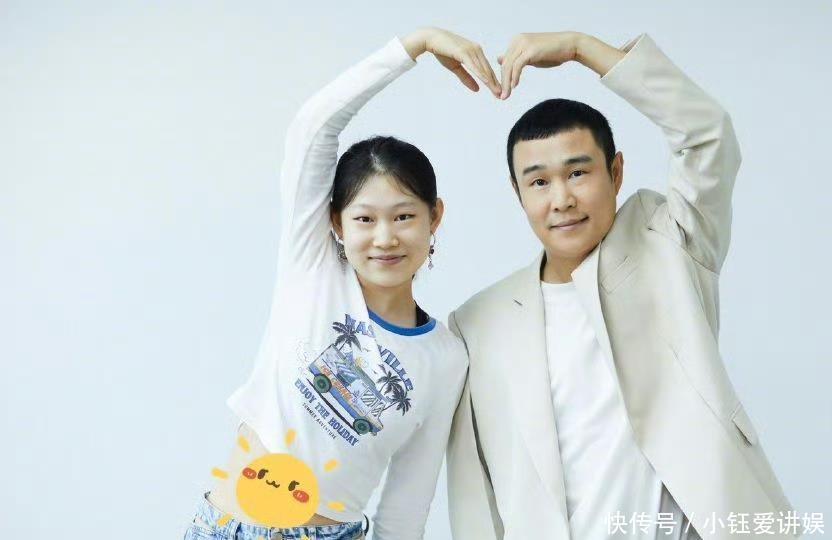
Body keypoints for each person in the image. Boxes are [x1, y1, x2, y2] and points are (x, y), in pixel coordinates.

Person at [446, 31, 796, 539]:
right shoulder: (480, 321)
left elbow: (708, 134)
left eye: (578, 173)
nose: (561, 199)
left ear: (616, 172)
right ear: (518, 193)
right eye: (539, 182)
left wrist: (580, 49)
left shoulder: (669, 244)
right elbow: (475, 492)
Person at [182, 27, 502, 540]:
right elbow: (312, 128)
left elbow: (408, 502)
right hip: (228, 525)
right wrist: (414, 46)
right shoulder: (311, 267)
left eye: (404, 216)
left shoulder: (444, 358)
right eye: (365, 219)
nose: (385, 238)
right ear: (336, 222)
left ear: (434, 217)